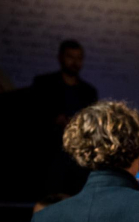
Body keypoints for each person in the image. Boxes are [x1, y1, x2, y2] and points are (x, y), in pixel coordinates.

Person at [32, 40, 99, 195]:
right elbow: (33, 114)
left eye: (79, 58)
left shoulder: (88, 91)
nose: (75, 62)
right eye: (70, 57)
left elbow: (93, 121)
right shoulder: (44, 84)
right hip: (48, 152)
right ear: (61, 57)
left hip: (77, 156)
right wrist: (55, 119)